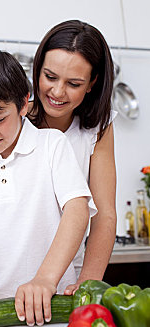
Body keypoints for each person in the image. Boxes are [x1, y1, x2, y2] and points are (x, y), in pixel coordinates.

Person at [0, 48, 97, 326]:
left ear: (23, 104)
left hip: (54, 307)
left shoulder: (52, 145)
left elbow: (77, 210)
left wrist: (45, 278)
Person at [28, 19, 117, 295]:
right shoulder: (11, 119)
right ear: (37, 69)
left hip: (68, 276)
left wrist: (88, 283)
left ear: (92, 83)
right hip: (7, 275)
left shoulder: (97, 129)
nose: (57, 92)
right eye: (50, 77)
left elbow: (104, 215)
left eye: (74, 83)